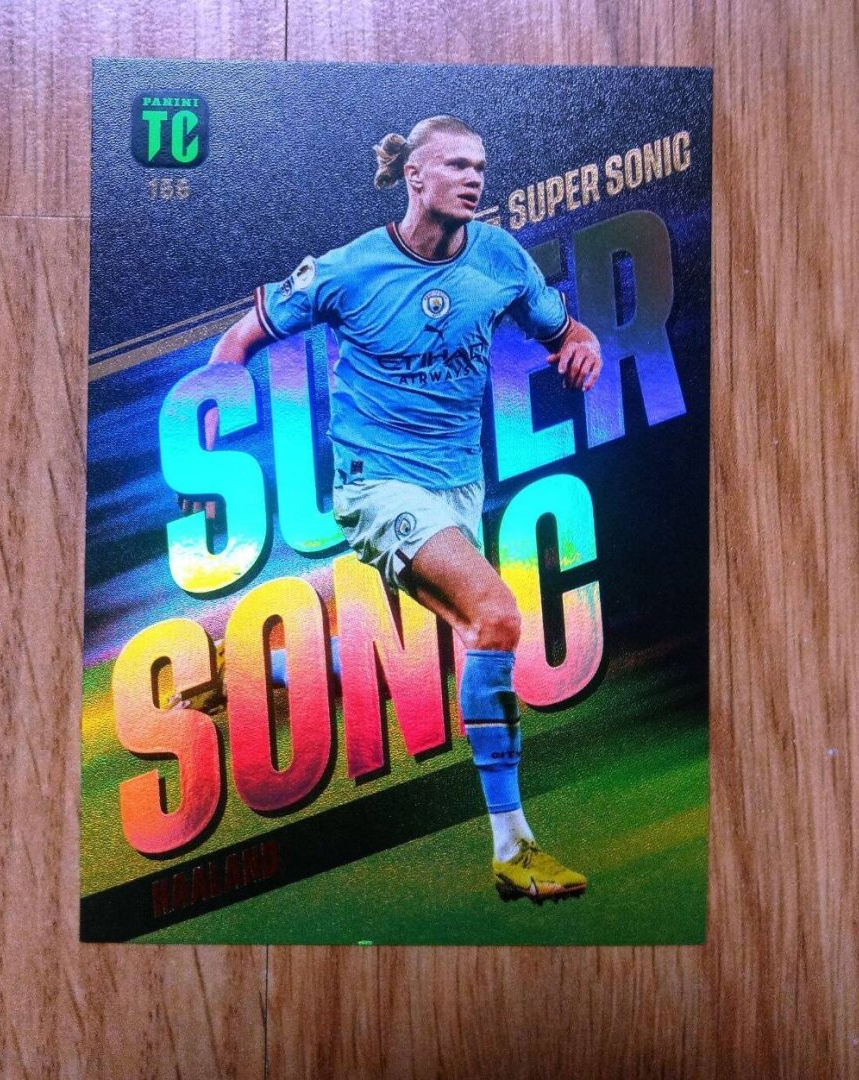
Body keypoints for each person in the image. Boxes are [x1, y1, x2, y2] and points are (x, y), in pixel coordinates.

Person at [199, 115, 603, 904]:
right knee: (497, 615)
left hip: (456, 488)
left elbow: (567, 331)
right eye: (455, 164)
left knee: (443, 657)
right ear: (415, 177)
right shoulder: (349, 270)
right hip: (376, 486)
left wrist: (579, 346)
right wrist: (208, 448)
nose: (473, 177)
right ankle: (513, 847)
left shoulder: (501, 258)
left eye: (480, 165)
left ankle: (254, 670)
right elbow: (237, 342)